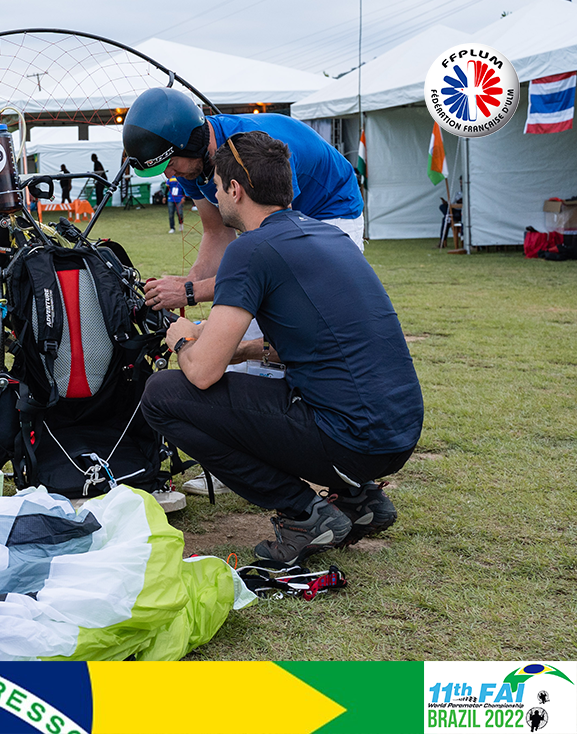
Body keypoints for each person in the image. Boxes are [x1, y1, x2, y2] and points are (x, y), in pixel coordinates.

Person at [140, 130, 422, 566]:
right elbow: (322, 341)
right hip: (397, 432)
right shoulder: (330, 237)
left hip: (352, 438)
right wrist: (248, 351)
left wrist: (179, 336)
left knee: (162, 395)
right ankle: (358, 497)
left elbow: (200, 373)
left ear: (235, 189)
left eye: (216, 188)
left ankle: (303, 512)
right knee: (268, 387)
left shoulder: (251, 250)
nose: (215, 197)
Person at [123, 87, 365, 312]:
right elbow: (217, 232)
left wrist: (190, 292)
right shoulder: (190, 166)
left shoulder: (254, 153)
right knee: (250, 317)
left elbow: (280, 247)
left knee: (304, 309)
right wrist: (191, 280)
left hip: (331, 208)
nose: (169, 175)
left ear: (193, 144)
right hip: (281, 226)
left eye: (171, 164)